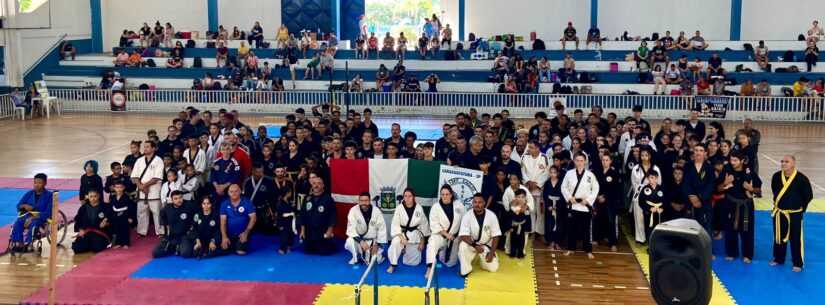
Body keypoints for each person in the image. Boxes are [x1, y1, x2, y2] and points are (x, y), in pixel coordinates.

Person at [769, 155, 813, 272]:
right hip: (780, 212)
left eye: (787, 162)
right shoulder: (776, 176)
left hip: (795, 213)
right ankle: (778, 259)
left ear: (793, 164)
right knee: (779, 237)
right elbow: (775, 191)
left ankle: (797, 262)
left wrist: (800, 209)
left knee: (795, 237)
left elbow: (808, 196)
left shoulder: (801, 178)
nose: (783, 163)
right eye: (782, 161)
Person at [718, 152, 761, 263]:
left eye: (735, 160)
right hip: (730, 204)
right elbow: (718, 189)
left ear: (742, 161)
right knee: (730, 229)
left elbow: (758, 190)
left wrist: (751, 189)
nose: (732, 163)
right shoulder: (727, 169)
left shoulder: (749, 171)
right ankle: (731, 253)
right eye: (731, 160)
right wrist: (725, 183)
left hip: (746, 205)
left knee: (747, 230)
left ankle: (747, 255)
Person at [561, 152, 599, 259]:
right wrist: (569, 198)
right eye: (577, 160)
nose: (579, 163)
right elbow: (564, 187)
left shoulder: (590, 175)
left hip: (585, 205)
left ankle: (588, 250)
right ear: (574, 161)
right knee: (571, 228)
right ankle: (570, 249)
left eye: (581, 160)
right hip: (573, 205)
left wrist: (588, 201)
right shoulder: (569, 173)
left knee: (586, 230)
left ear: (585, 161)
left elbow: (596, 189)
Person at [425, 185, 465, 277]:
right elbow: (434, 224)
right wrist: (446, 234)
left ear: (451, 195)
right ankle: (430, 267)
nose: (445, 196)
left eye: (447, 194)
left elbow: (464, 221)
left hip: (454, 237)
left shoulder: (459, 205)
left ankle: (443, 253)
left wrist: (460, 237)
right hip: (440, 235)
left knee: (450, 263)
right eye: (442, 194)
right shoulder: (435, 207)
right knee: (432, 243)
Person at [387, 188, 430, 273]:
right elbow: (395, 224)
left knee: (413, 263)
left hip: (415, 235)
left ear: (413, 197)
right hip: (402, 234)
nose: (407, 198)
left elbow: (423, 225)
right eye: (405, 196)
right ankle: (392, 264)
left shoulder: (419, 208)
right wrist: (401, 238)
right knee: (395, 243)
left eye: (410, 196)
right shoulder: (399, 208)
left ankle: (404, 250)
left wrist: (422, 242)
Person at [458, 193, 502, 277]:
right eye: (475, 202)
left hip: (485, 246)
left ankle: (483, 261)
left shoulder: (491, 215)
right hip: (472, 244)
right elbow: (463, 235)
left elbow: (496, 236)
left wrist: (492, 252)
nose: (477, 204)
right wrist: (475, 245)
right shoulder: (467, 216)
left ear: (484, 203)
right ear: (472, 203)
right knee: (462, 246)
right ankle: (466, 269)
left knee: (493, 268)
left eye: (480, 202)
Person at [10, 173, 54, 251]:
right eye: (35, 182)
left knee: (33, 224)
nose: (36, 185)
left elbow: (49, 212)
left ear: (45, 183)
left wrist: (33, 216)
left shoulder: (49, 196)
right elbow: (18, 206)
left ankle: (29, 243)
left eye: (39, 183)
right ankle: (19, 243)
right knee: (18, 222)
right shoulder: (29, 193)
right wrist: (24, 206)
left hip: (41, 217)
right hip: (27, 216)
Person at [131, 141, 165, 236]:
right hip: (141, 191)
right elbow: (134, 176)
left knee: (157, 212)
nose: (145, 149)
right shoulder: (139, 160)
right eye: (144, 147)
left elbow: (156, 178)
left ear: (153, 148)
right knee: (141, 212)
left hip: (154, 191)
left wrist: (144, 186)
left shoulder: (158, 160)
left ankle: (160, 231)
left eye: (147, 147)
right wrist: (140, 186)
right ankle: (142, 231)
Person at [682, 144, 716, 235]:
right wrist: (692, 196)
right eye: (696, 150)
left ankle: (706, 249)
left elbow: (711, 185)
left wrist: (700, 198)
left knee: (706, 228)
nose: (698, 152)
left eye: (701, 150)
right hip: (690, 202)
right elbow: (685, 183)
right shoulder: (687, 165)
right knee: (690, 229)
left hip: (704, 203)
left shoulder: (709, 168)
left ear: (705, 153)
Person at [345, 192, 387, 265]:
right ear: (358, 201)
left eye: (366, 200)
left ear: (370, 201)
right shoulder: (353, 210)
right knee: (349, 241)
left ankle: (372, 255)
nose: (364, 203)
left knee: (374, 261)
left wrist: (377, 245)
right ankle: (356, 257)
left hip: (372, 241)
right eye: (361, 200)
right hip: (359, 240)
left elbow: (382, 229)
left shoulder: (376, 211)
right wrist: (361, 241)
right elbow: (351, 229)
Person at [299, 175, 337, 255]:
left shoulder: (328, 199)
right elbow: (302, 215)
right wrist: (302, 230)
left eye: (319, 183)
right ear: (312, 185)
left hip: (322, 232)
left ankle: (329, 242)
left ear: (323, 185)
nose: (316, 185)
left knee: (324, 252)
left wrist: (329, 230)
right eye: (314, 183)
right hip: (310, 231)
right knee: (308, 251)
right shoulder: (307, 198)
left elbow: (332, 216)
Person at [630, 146, 661, 243]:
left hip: (652, 196)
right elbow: (634, 183)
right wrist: (642, 191)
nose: (644, 157)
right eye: (642, 155)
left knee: (652, 218)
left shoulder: (655, 168)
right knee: (639, 217)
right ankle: (640, 238)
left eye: (646, 155)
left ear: (650, 156)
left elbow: (659, 182)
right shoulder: (636, 168)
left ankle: (652, 238)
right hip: (639, 194)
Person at [153, 191, 194, 258]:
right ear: (172, 200)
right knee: (156, 253)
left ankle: (178, 247)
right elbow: (162, 216)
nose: (179, 200)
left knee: (186, 253)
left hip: (184, 235)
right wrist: (165, 226)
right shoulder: (167, 208)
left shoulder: (188, 205)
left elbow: (197, 215)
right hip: (171, 236)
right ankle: (174, 247)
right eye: (176, 198)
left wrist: (192, 227)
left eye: (180, 198)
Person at [593, 154, 621, 251]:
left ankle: (613, 242)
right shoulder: (597, 172)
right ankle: (596, 239)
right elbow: (594, 186)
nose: (604, 162)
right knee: (597, 219)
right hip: (598, 200)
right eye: (603, 160)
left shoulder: (614, 173)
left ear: (610, 161)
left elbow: (615, 188)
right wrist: (597, 196)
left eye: (606, 160)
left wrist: (605, 196)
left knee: (610, 221)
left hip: (610, 201)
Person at [220, 184, 256, 255]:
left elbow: (253, 218)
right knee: (223, 249)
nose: (234, 193)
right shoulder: (224, 204)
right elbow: (222, 222)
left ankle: (239, 243)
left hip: (243, 232)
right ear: (228, 193)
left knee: (241, 252)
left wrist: (246, 233)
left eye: (236, 191)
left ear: (240, 191)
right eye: (231, 191)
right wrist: (224, 236)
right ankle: (233, 244)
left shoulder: (247, 202)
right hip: (229, 233)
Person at [243, 163, 278, 233]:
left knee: (269, 231)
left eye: (261, 172)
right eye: (257, 172)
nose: (260, 174)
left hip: (264, 211)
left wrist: (273, 211)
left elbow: (274, 197)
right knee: (250, 230)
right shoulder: (247, 182)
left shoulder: (269, 181)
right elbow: (245, 198)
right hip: (251, 211)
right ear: (253, 171)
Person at [542, 166, 566, 249]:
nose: (552, 174)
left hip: (559, 207)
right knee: (549, 224)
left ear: (557, 173)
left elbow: (563, 195)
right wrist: (549, 206)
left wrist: (557, 206)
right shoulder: (547, 183)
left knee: (559, 225)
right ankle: (551, 241)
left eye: (554, 172)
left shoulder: (562, 183)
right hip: (549, 207)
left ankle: (557, 242)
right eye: (551, 172)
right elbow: (545, 195)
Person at [637, 171, 665, 241]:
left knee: (659, 228)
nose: (652, 180)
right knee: (649, 228)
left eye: (654, 178)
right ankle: (650, 245)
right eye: (650, 178)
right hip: (649, 212)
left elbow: (666, 200)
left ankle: (658, 245)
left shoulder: (662, 188)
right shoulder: (645, 189)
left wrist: (662, 208)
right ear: (647, 178)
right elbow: (641, 201)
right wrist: (649, 208)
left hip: (659, 212)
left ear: (657, 178)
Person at [505, 189, 531, 258]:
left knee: (521, 241)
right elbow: (509, 218)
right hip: (514, 226)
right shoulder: (513, 207)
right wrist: (509, 227)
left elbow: (528, 219)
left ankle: (520, 252)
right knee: (513, 240)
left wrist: (527, 229)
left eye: (522, 197)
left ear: (525, 198)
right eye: (518, 197)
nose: (520, 199)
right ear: (515, 198)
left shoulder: (526, 208)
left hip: (522, 227)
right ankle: (512, 252)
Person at [109, 181, 135, 249]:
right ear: (114, 188)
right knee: (117, 230)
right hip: (115, 217)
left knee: (125, 230)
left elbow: (131, 208)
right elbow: (111, 208)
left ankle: (126, 243)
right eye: (117, 187)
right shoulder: (113, 197)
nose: (119, 189)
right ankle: (119, 243)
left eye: (121, 187)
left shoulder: (126, 197)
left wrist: (130, 217)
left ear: (124, 188)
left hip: (125, 216)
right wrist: (108, 217)